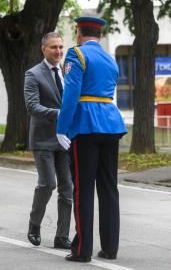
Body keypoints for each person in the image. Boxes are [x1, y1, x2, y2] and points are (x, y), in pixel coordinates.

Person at [56, 17, 127, 262]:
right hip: (111, 123)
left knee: (83, 190)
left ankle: (82, 249)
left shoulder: (76, 54)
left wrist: (62, 128)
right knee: (109, 189)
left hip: (86, 125)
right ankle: (110, 248)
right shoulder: (110, 58)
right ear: (98, 34)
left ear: (79, 32)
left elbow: (71, 94)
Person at [24, 32, 72, 249]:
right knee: (48, 184)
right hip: (43, 140)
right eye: (54, 47)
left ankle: (62, 237)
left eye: (61, 47)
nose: (59, 51)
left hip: (65, 140)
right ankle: (34, 224)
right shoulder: (33, 74)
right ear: (43, 49)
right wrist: (59, 113)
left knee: (67, 188)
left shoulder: (67, 73)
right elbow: (32, 106)